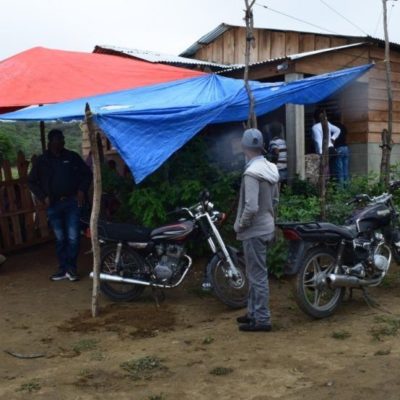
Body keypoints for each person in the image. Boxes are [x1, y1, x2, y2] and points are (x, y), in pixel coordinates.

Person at [28, 129, 92, 281]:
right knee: (60, 238)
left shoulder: (72, 156)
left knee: (73, 237)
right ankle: (63, 269)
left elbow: (87, 174)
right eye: (59, 140)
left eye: (63, 139)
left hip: (72, 202)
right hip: (54, 205)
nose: (62, 142)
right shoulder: (42, 161)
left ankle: (71, 268)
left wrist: (82, 190)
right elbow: (31, 181)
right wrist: (43, 197)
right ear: (51, 142)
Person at [234, 128, 280, 332]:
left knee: (258, 276)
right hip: (267, 226)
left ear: (244, 147)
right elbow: (276, 200)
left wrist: (240, 224)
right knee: (255, 273)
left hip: (254, 231)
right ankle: (253, 312)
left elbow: (251, 207)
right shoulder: (271, 168)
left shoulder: (251, 173)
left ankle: (262, 319)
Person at [311, 109, 341, 179]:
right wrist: (333, 138)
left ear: (315, 118)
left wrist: (321, 154)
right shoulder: (327, 123)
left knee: (324, 174)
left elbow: (319, 141)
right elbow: (338, 130)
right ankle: (336, 188)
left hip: (325, 151)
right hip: (332, 150)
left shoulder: (315, 127)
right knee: (335, 173)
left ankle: (326, 188)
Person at [332, 119, 350, 186]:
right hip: (345, 148)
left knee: (339, 171)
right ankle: (347, 188)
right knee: (346, 170)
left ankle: (341, 190)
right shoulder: (343, 126)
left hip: (338, 148)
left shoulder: (332, 127)